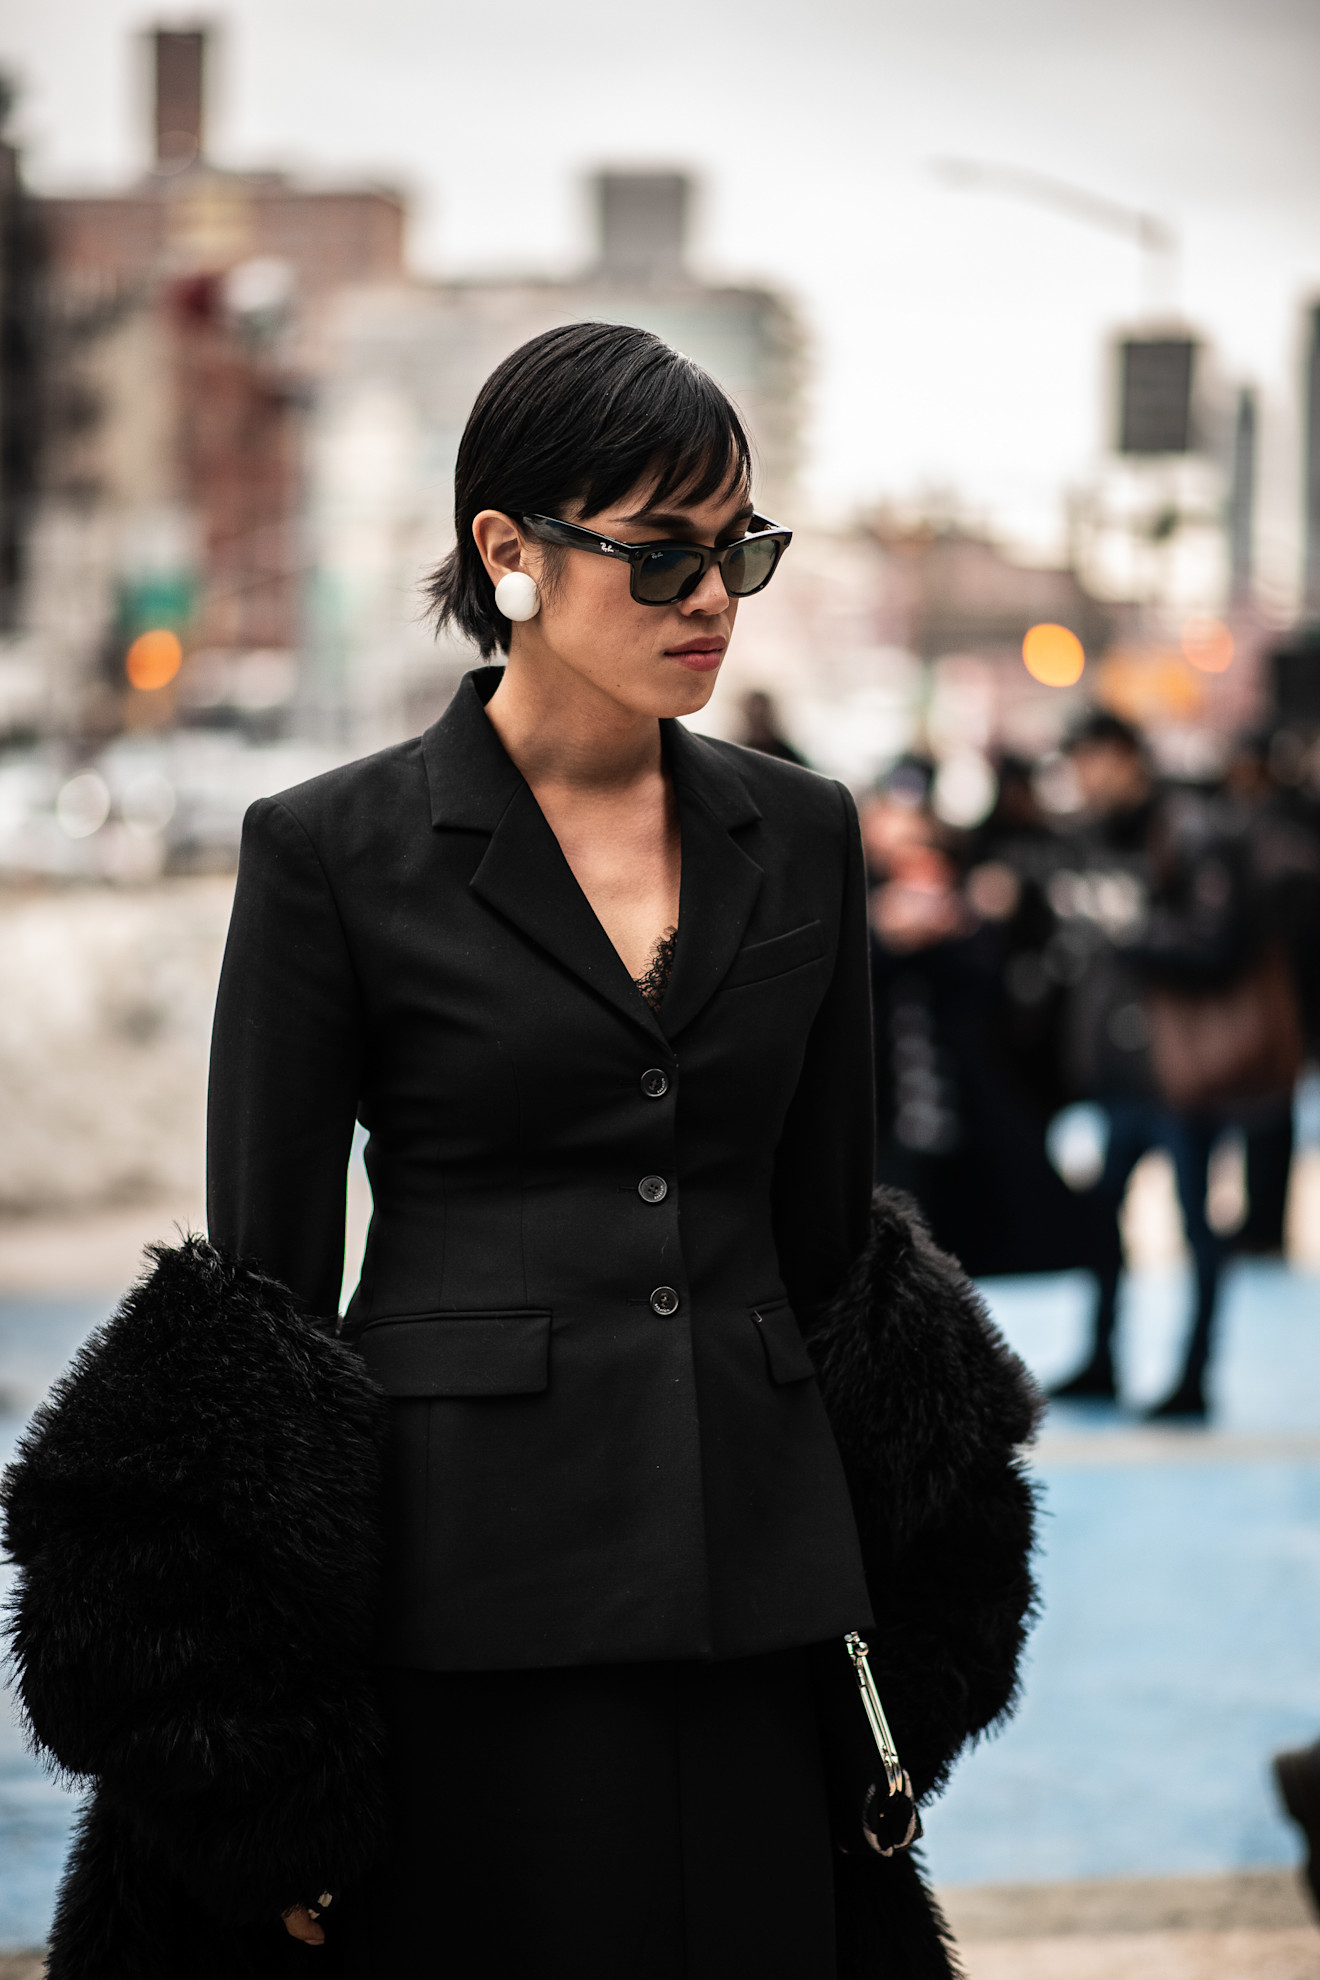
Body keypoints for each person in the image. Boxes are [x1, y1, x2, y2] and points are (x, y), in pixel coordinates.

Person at [194, 323, 1036, 1978]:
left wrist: (896, 1605)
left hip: (760, 1580)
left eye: (740, 549)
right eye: (661, 556)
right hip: (469, 1584)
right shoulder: (329, 855)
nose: (711, 597)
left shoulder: (801, 832)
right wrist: (261, 1744)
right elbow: (260, 1321)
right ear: (506, 554)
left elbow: (825, 1252)